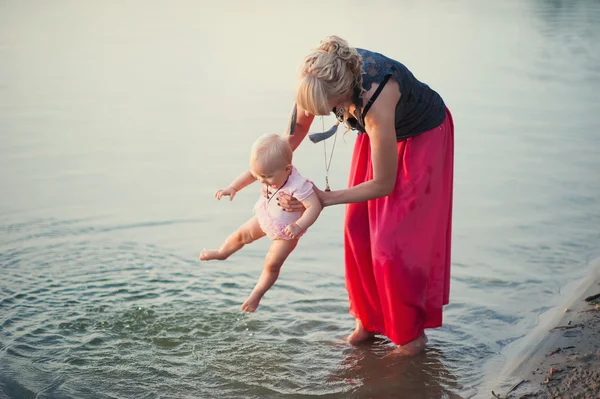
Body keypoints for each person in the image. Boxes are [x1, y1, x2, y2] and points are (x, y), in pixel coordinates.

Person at [279, 36, 454, 356]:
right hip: (375, 136)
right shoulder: (318, 76)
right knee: (356, 230)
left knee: (392, 244)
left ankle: (410, 338)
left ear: (341, 95)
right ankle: (368, 322)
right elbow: (292, 136)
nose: (323, 115)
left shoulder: (376, 98)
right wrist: (273, 176)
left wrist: (323, 198)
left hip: (420, 137)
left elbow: (384, 184)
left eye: (329, 109)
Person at [200, 133, 322, 312]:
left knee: (272, 263)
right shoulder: (265, 172)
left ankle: (256, 294)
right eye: (260, 176)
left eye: (267, 177)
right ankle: (222, 252)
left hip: (286, 232)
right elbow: (250, 175)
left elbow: (315, 206)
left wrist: (299, 225)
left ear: (287, 169)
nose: (262, 180)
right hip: (265, 216)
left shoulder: (299, 184)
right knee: (240, 235)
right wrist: (233, 187)